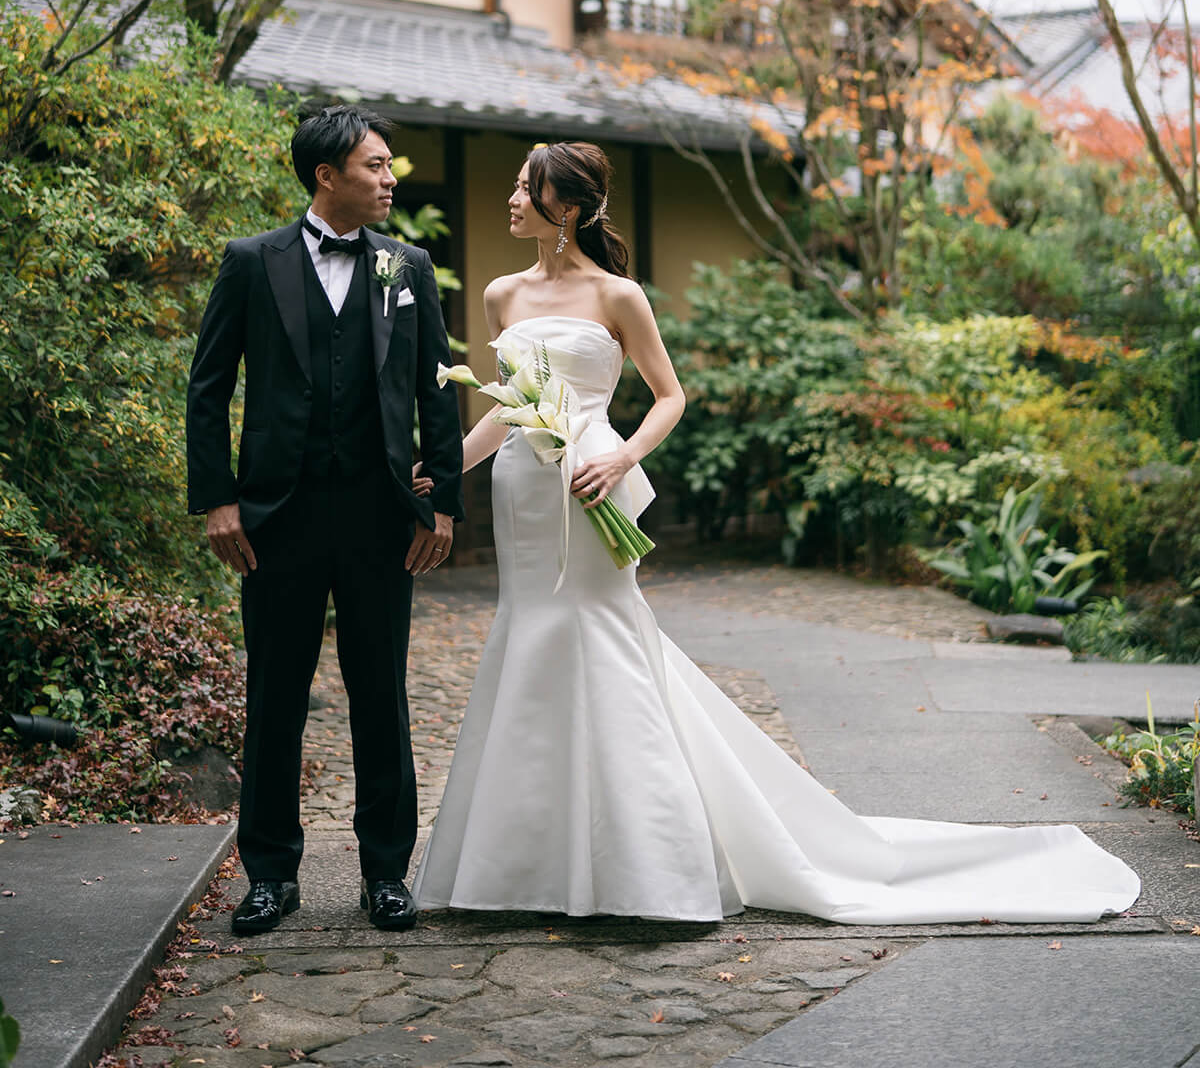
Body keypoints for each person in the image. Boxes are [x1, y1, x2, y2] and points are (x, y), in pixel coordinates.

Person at [411, 140, 1140, 924]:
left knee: (603, 629)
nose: (512, 199)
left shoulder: (620, 296)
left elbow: (669, 396)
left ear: (571, 209)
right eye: (516, 186)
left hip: (595, 480)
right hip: (524, 486)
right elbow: (503, 406)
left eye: (528, 189)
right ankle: (527, 865)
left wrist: (622, 456)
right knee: (530, 630)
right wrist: (444, 469)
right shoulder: (499, 295)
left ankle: (644, 862)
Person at [187, 106, 463, 936]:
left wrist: (441, 501)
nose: (388, 178)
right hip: (278, 517)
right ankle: (270, 875)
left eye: (390, 166)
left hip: (384, 518)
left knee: (382, 695)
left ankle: (386, 873)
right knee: (274, 696)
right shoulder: (250, 263)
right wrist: (218, 501)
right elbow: (207, 388)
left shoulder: (407, 266)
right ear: (326, 177)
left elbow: (436, 387)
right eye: (375, 166)